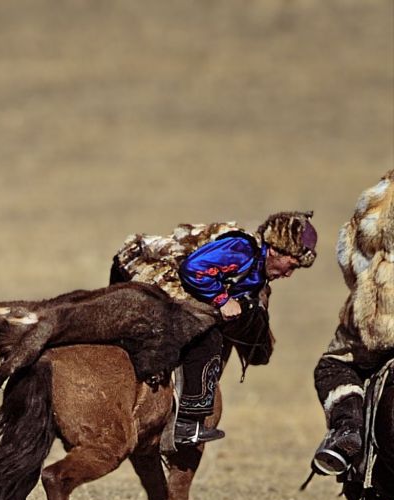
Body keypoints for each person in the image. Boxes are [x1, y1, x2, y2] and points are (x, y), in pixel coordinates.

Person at [111, 211, 317, 445]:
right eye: (291, 265)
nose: (289, 274)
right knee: (206, 336)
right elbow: (193, 268)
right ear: (276, 250)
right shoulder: (243, 250)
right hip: (143, 270)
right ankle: (187, 422)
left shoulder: (259, 266)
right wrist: (221, 299)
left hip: (161, 274)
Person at [311, 169, 394, 477]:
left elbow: (348, 257)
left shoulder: (378, 195)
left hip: (380, 322)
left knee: (332, 364)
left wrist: (368, 288)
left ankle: (347, 432)